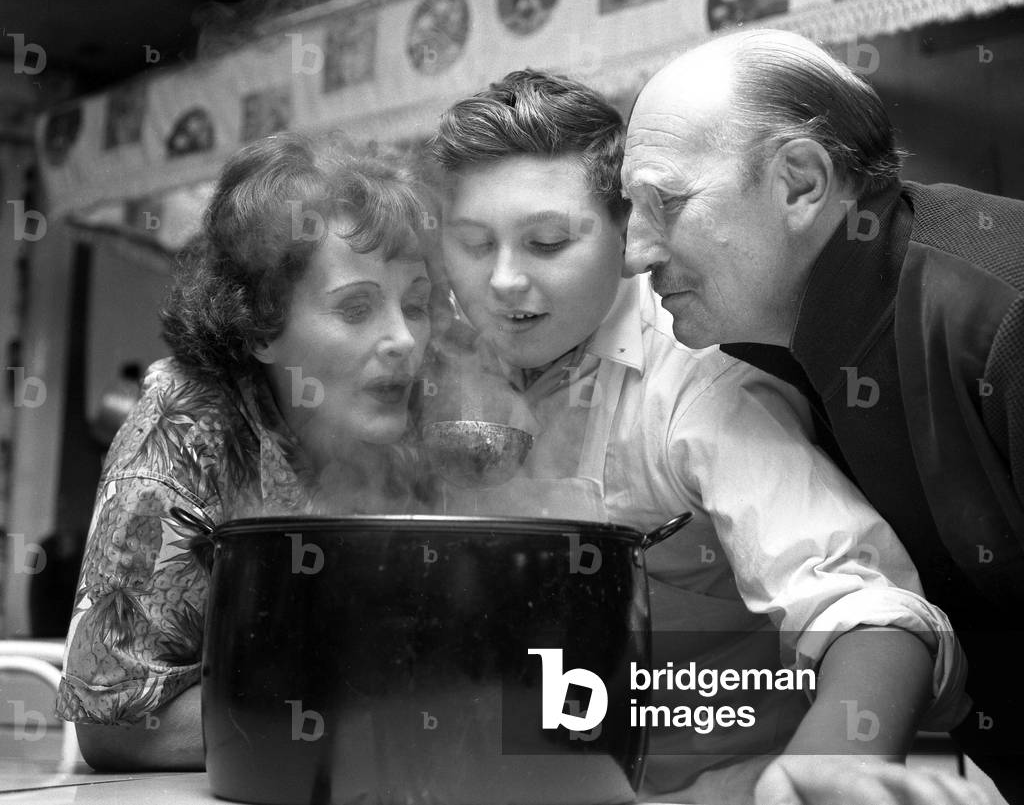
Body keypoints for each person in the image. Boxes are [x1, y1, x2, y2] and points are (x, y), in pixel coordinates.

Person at [426, 70, 980, 805]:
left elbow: (872, 618)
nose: (502, 281)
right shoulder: (443, 365)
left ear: (627, 233)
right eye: (472, 243)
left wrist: (824, 778)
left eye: (547, 241)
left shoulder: (698, 378)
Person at [622, 27, 1024, 804]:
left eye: (663, 203)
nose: (636, 251)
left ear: (801, 183)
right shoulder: (772, 347)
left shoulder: (1000, 314)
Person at [57, 133, 443, 771]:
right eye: (356, 308)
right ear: (262, 323)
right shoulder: (184, 430)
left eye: (418, 305)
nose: (403, 339)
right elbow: (117, 724)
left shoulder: (415, 421)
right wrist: (358, 712)